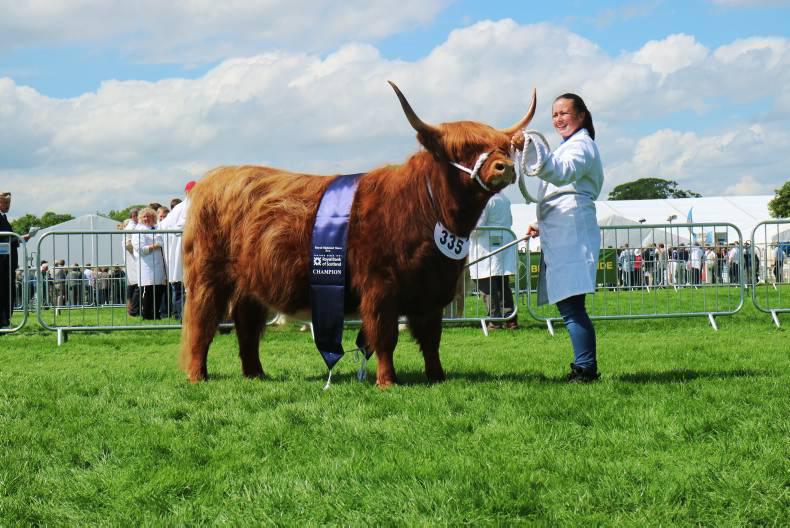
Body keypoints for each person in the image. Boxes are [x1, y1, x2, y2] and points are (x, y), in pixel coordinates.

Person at [512, 93, 603, 382]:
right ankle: (584, 366)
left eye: (564, 113)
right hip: (562, 226)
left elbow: (562, 174)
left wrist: (530, 145)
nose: (558, 119)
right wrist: (540, 223)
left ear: (581, 116)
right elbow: (561, 188)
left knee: (571, 304)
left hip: (572, 229)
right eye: (554, 114)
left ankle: (586, 368)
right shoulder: (569, 146)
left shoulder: (582, 145)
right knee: (569, 304)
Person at [469, 191, 517, 330]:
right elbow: (510, 220)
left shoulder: (484, 199)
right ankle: (510, 319)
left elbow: (477, 227)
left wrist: (463, 227)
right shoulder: (503, 198)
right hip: (501, 244)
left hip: (486, 247)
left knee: (487, 284)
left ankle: (495, 320)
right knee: (502, 283)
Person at [157, 180, 195, 321]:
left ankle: (180, 315)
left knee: (178, 285)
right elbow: (183, 224)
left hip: (175, 250)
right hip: (187, 248)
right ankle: (185, 316)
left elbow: (161, 227)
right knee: (187, 285)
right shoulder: (192, 205)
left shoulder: (177, 208)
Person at [0, 192, 31, 328]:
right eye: (5, 203)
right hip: (2, 262)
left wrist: (19, 239)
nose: (8, 206)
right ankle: (2, 321)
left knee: (8, 291)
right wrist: (18, 238)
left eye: (9, 203)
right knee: (3, 291)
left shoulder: (4, 217)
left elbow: (7, 239)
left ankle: (5, 319)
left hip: (8, 261)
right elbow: (3, 239)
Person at [133, 207, 167, 320]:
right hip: (147, 265)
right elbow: (140, 249)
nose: (147, 218)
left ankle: (156, 313)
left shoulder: (156, 228)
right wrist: (156, 246)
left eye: (149, 216)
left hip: (158, 264)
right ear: (140, 218)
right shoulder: (139, 230)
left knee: (159, 290)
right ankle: (146, 314)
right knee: (148, 291)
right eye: (144, 216)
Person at [123, 211, 141, 316]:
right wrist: (139, 251)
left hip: (131, 259)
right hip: (133, 259)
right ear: (133, 216)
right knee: (137, 285)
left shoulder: (131, 227)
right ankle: (133, 309)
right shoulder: (132, 227)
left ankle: (131, 308)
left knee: (132, 285)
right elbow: (128, 244)